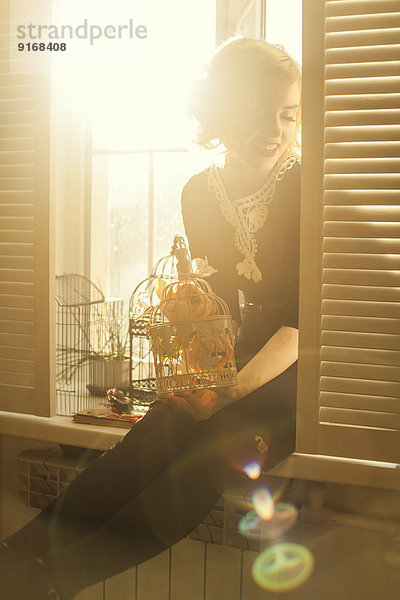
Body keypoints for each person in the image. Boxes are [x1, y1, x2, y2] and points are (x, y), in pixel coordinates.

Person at [0, 37, 301, 600]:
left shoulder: (308, 187)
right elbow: (212, 306)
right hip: (236, 363)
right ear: (222, 111)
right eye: (259, 111)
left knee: (210, 455)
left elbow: (305, 324)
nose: (276, 130)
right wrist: (194, 380)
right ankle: (16, 559)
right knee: (154, 435)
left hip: (301, 373)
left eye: (288, 114)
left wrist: (229, 390)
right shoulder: (200, 193)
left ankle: (47, 581)